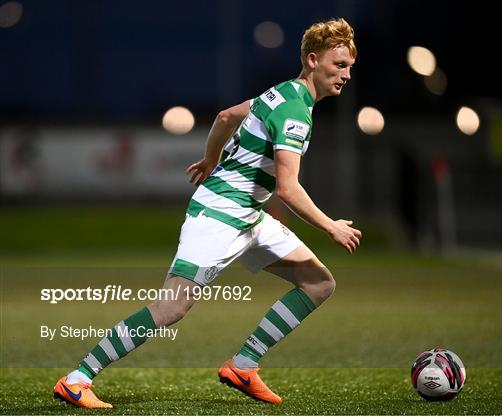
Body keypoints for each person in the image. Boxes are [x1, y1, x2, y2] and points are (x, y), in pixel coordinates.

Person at [53, 17, 361, 408]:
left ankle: (243, 365)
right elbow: (287, 188)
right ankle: (78, 379)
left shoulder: (281, 94)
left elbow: (225, 117)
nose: (347, 74)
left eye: (350, 66)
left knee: (319, 283)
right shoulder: (295, 113)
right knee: (172, 306)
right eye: (340, 65)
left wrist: (210, 159)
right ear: (313, 60)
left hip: (249, 215)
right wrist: (330, 226)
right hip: (219, 216)